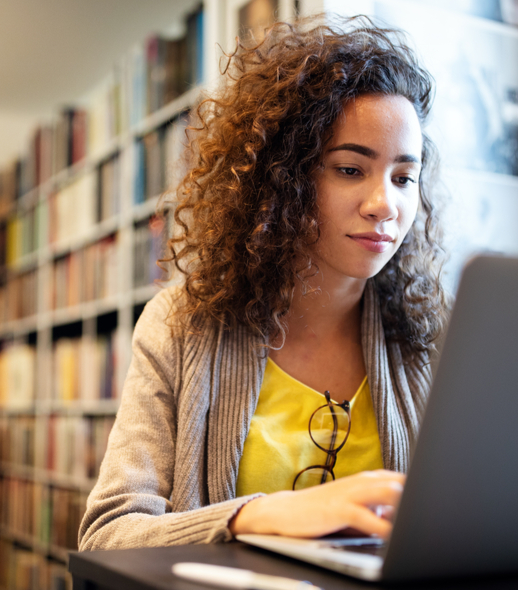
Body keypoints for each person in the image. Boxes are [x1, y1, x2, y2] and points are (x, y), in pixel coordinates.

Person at [78, 15, 448, 551]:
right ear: (284, 177)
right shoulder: (180, 324)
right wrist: (261, 516)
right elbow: (107, 534)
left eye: (403, 178)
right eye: (350, 169)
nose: (384, 205)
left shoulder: (434, 337)